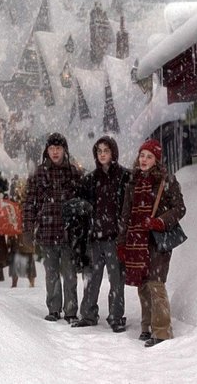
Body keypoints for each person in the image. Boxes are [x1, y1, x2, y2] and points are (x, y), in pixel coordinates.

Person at [118, 139, 186, 347]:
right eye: (142, 155)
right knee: (143, 285)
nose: (144, 160)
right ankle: (147, 327)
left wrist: (159, 222)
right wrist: (122, 242)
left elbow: (180, 208)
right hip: (136, 240)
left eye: (149, 156)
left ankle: (162, 331)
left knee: (156, 284)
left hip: (157, 239)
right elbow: (126, 214)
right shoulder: (133, 182)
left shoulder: (167, 181)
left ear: (156, 160)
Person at [71, 136, 130, 332]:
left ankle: (116, 317)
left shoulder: (124, 177)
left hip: (115, 237)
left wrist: (123, 228)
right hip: (95, 238)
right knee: (92, 279)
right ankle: (88, 314)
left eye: (106, 150)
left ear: (113, 152)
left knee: (116, 280)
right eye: (99, 151)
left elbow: (129, 206)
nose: (102, 154)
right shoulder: (90, 179)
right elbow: (79, 204)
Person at [23, 132, 83, 322]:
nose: (55, 152)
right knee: (51, 274)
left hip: (68, 233)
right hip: (47, 232)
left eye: (58, 148)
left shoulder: (73, 173)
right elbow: (29, 203)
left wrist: (81, 228)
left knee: (70, 275)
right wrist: (27, 228)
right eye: (52, 149)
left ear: (64, 150)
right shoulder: (39, 174)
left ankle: (71, 311)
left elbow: (82, 203)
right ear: (46, 151)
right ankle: (54, 309)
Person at [8, 177, 36, 288]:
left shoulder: (28, 203)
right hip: (18, 236)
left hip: (25, 236)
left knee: (28, 260)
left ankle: (30, 283)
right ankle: (15, 283)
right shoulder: (16, 203)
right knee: (17, 259)